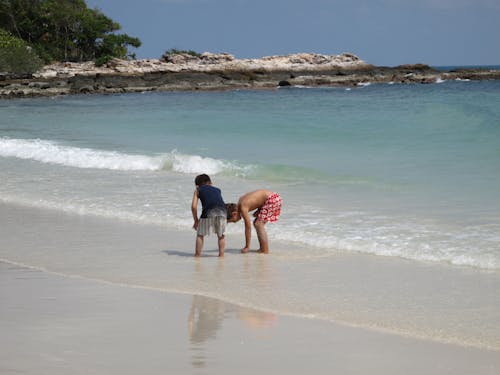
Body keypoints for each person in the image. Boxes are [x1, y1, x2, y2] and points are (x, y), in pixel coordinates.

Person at [226, 189, 282, 254]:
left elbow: (248, 228)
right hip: (271, 198)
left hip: (272, 199)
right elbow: (256, 199)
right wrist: (259, 209)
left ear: (234, 214)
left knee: (258, 224)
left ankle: (264, 250)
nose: (235, 222)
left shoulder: (243, 207)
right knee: (257, 223)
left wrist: (247, 246)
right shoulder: (240, 202)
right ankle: (262, 248)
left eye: (233, 221)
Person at [191, 174, 227, 257]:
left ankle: (197, 255)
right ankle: (221, 255)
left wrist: (196, 220)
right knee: (221, 235)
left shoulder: (198, 190)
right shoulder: (218, 190)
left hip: (209, 211)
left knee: (200, 234)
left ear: (197, 186)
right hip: (223, 212)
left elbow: (193, 207)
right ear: (211, 183)